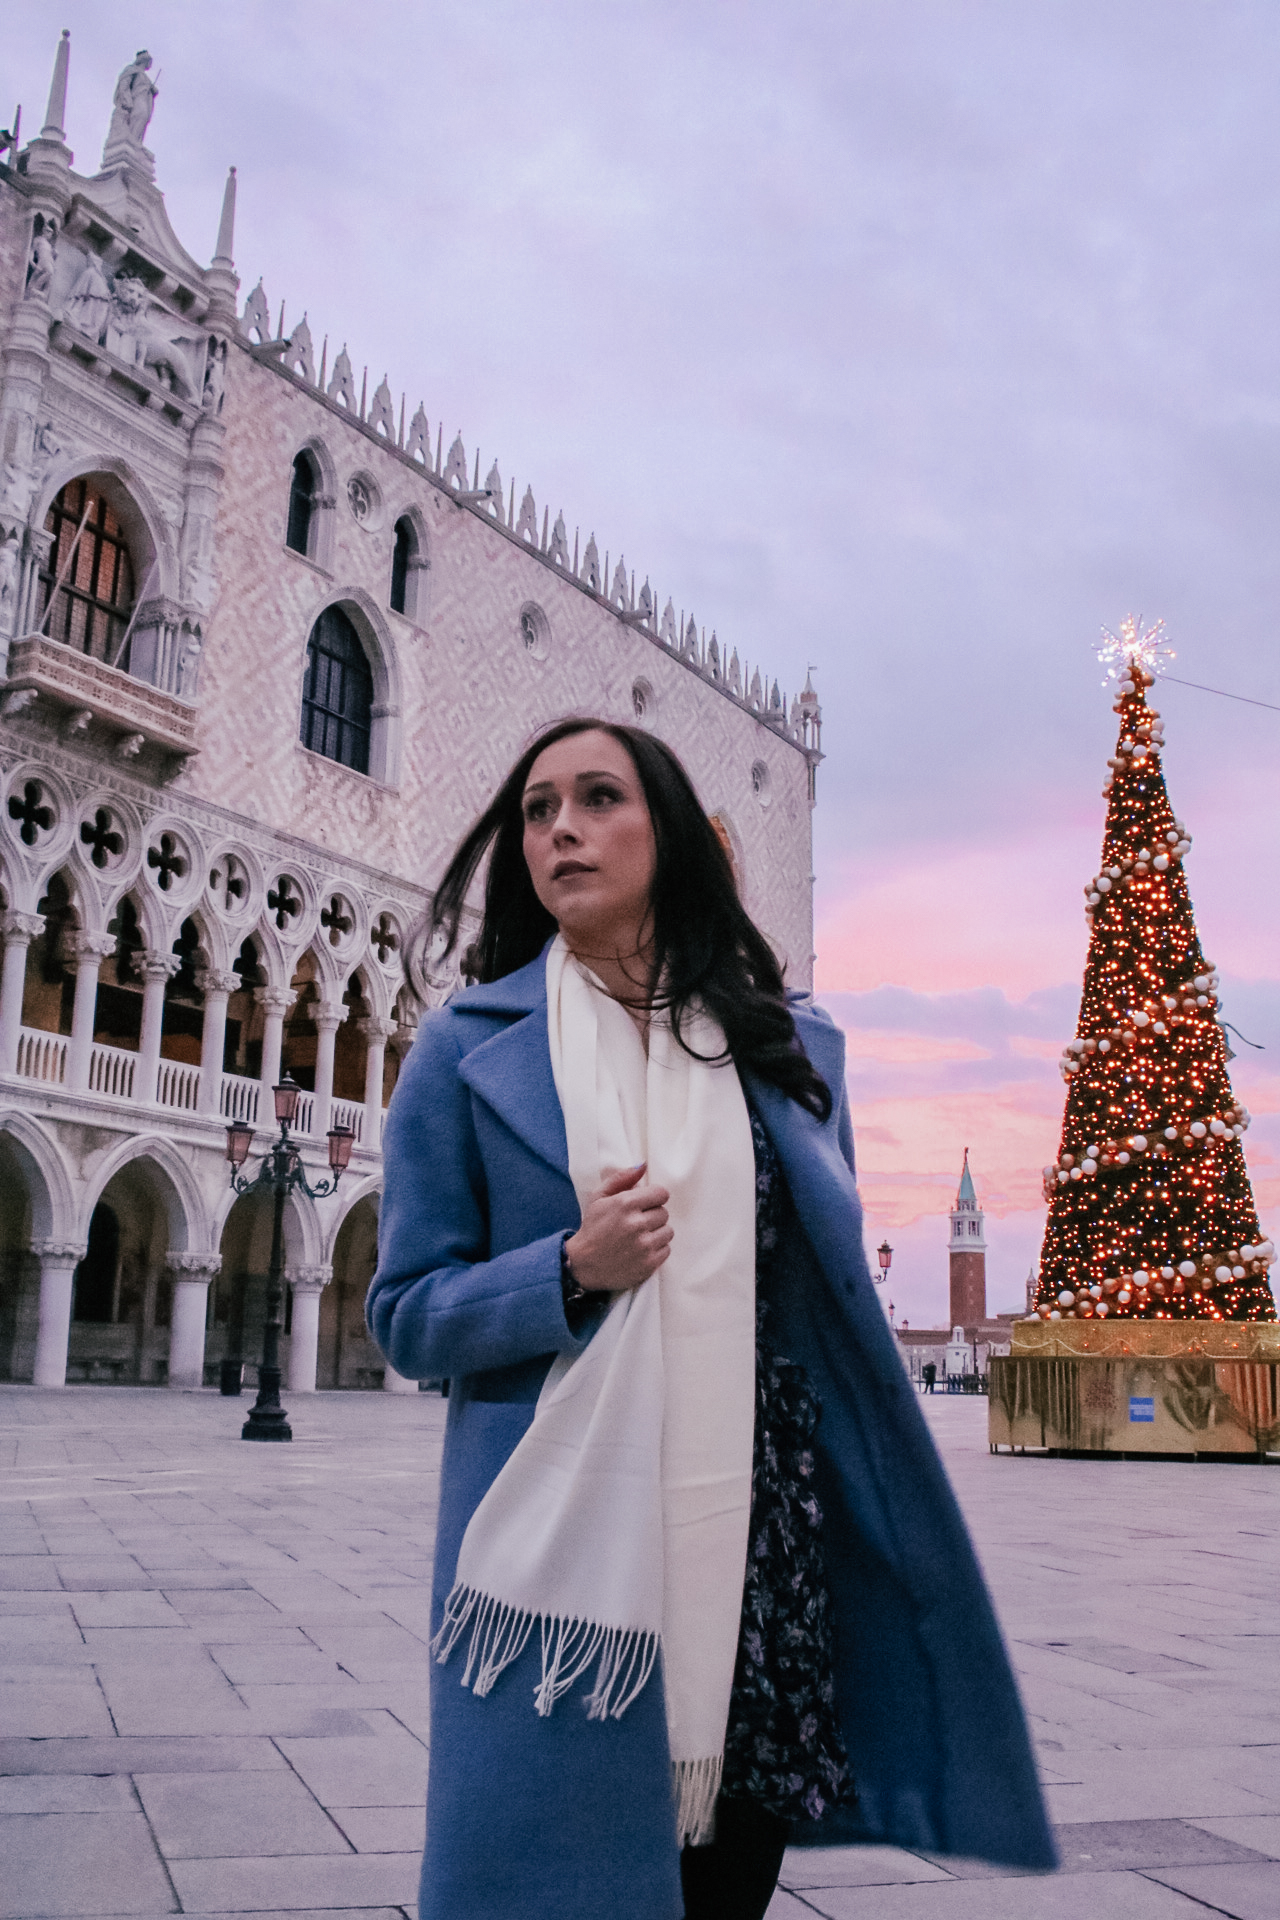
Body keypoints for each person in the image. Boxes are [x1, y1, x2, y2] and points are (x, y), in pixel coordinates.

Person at [368, 718, 1054, 1920]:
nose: (559, 829)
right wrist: (567, 1271)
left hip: (765, 1536)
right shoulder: (465, 1050)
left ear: (668, 832)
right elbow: (408, 1316)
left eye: (594, 798)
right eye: (535, 810)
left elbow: (823, 1302)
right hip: (564, 1547)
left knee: (729, 1879)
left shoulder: (784, 1048)